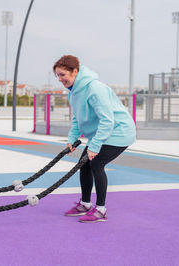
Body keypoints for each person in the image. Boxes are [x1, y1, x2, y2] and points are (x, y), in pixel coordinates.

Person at [53, 55, 136, 223]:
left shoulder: (94, 89)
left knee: (96, 163)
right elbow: (77, 119)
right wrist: (72, 139)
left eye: (63, 75)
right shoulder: (73, 93)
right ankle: (85, 204)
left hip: (119, 131)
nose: (60, 79)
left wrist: (95, 146)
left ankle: (100, 210)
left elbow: (107, 120)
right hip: (103, 132)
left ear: (75, 71)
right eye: (58, 76)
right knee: (83, 165)